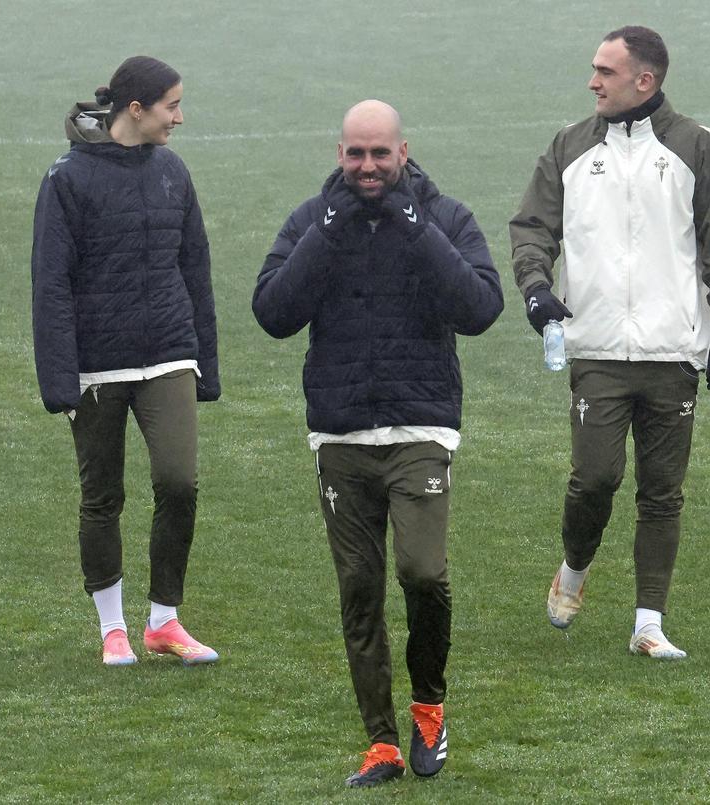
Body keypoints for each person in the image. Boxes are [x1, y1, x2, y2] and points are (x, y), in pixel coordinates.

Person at [253, 100, 503, 787]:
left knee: (422, 571)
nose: (367, 168)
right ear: (339, 153)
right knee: (359, 587)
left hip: (419, 427)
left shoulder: (444, 217)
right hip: (339, 433)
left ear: (403, 152)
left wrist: (415, 227)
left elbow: (481, 308)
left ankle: (428, 705)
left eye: (379, 155)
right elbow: (273, 311)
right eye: (355, 155)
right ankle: (382, 741)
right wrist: (327, 232)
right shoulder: (314, 221)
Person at [510, 26, 710, 660]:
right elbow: (532, 227)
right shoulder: (568, 146)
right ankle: (574, 573)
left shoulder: (695, 146)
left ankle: (648, 624)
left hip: (674, 351)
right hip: (598, 352)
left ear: (645, 80)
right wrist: (535, 287)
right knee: (595, 478)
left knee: (662, 491)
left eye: (605, 72)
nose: (593, 82)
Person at [31, 56, 221, 668]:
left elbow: (196, 267)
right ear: (135, 110)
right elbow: (51, 283)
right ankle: (112, 626)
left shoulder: (172, 172)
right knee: (102, 496)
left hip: (169, 353)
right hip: (96, 366)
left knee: (179, 482)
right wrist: (59, 377)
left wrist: (206, 363)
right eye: (172, 106)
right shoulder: (66, 179)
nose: (180, 118)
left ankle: (164, 621)